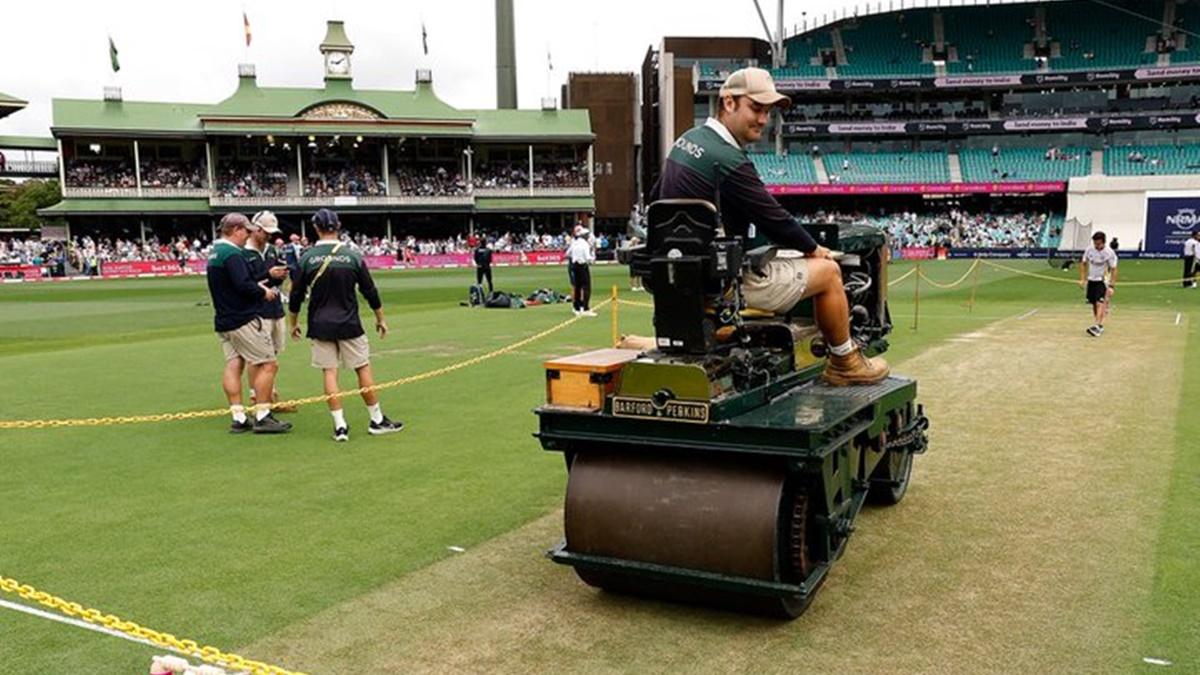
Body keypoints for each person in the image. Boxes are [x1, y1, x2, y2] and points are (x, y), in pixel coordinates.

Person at [650, 67, 888, 386]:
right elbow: (774, 218)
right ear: (729, 103)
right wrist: (816, 249)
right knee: (829, 273)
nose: (763, 119)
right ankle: (845, 360)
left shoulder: (687, 142)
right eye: (756, 108)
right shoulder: (728, 158)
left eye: (767, 112)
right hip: (723, 284)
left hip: (682, 277)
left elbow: (657, 202)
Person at [288, 208, 403, 442]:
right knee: (362, 368)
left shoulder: (307, 258)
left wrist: (293, 323)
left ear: (316, 228)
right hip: (349, 321)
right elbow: (370, 291)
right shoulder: (352, 256)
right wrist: (380, 318)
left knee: (329, 373)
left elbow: (296, 295)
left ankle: (340, 426)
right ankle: (376, 419)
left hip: (319, 324)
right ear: (337, 227)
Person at [206, 213, 292, 434]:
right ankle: (263, 414)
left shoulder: (215, 252)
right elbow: (244, 284)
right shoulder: (232, 254)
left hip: (223, 319)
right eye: (246, 230)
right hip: (242, 318)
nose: (249, 234)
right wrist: (263, 292)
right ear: (236, 230)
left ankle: (238, 416)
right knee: (268, 364)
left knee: (234, 365)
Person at [244, 210, 297, 413]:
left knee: (272, 355)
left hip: (275, 309)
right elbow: (244, 283)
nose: (269, 235)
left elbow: (273, 279)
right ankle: (256, 397)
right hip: (256, 312)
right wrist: (267, 274)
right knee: (256, 357)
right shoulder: (243, 253)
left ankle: (268, 395)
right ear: (255, 229)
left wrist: (279, 275)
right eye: (265, 231)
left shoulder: (273, 250)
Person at [1079, 231, 1118, 337]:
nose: (1097, 246)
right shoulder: (1089, 250)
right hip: (1091, 280)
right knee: (1094, 304)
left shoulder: (1109, 253)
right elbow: (1083, 263)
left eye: (1099, 244)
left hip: (1102, 280)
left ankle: (1097, 325)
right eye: (1095, 243)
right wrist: (1082, 279)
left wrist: (1111, 286)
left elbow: (1114, 269)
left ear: (1104, 242)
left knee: (1099, 303)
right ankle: (1099, 325)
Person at [567, 225, 596, 317]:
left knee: (577, 287)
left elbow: (567, 253)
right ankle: (586, 308)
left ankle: (577, 308)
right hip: (582, 266)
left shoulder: (574, 243)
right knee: (586, 287)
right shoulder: (585, 244)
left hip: (575, 265)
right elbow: (588, 258)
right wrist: (592, 259)